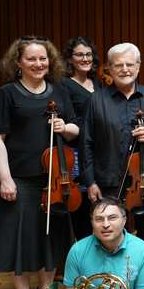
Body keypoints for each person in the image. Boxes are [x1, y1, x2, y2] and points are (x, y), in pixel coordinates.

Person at [0, 37, 79, 289]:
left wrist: (66, 127)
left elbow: (75, 129)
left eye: (43, 59)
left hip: (55, 180)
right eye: (31, 59)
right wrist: (5, 178)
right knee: (22, 241)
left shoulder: (59, 91)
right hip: (21, 179)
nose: (38, 64)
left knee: (49, 240)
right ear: (18, 62)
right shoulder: (7, 93)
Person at [78, 42, 144, 260]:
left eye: (130, 64)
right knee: (108, 234)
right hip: (107, 180)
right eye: (119, 65)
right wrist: (90, 182)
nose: (125, 69)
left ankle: (143, 282)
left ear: (138, 66)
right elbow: (85, 143)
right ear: (109, 68)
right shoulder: (96, 100)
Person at [61, 35, 102, 241]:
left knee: (95, 203)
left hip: (97, 150)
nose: (85, 58)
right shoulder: (64, 84)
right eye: (79, 54)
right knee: (80, 204)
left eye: (88, 54)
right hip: (76, 151)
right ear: (69, 58)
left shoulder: (98, 82)